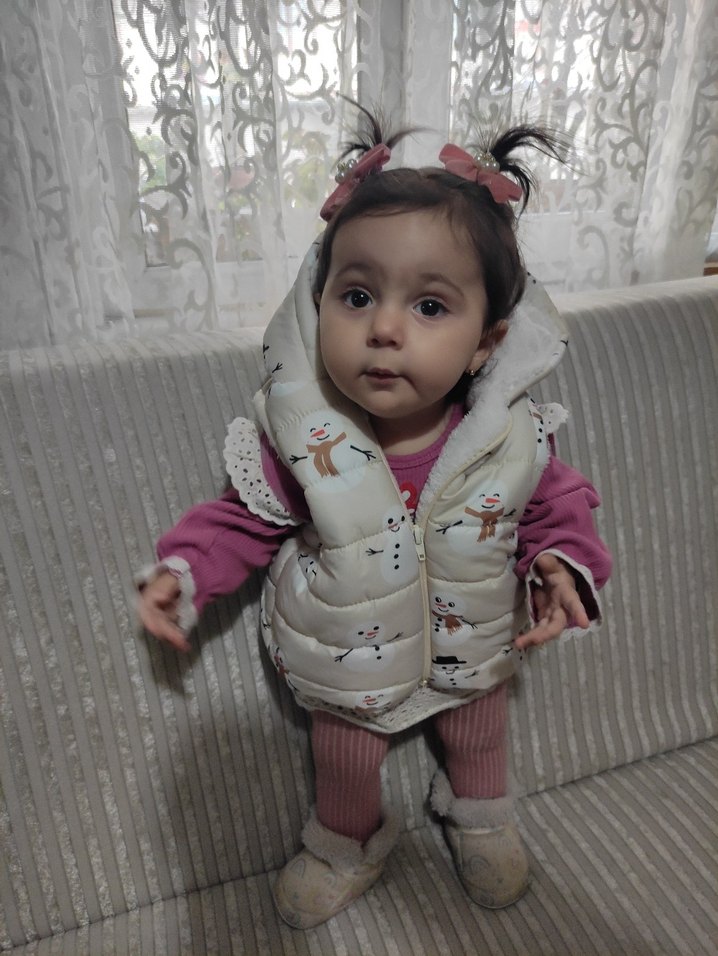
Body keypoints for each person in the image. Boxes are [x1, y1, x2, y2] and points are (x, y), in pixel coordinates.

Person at [137, 107, 611, 929]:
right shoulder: (310, 439)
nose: (385, 329)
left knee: (480, 738)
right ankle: (345, 843)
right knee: (345, 759)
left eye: (429, 307)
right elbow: (240, 521)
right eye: (357, 296)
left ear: (486, 342)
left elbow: (557, 506)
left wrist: (559, 565)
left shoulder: (506, 438)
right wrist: (184, 573)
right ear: (315, 304)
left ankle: (481, 816)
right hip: (347, 664)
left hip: (474, 649)